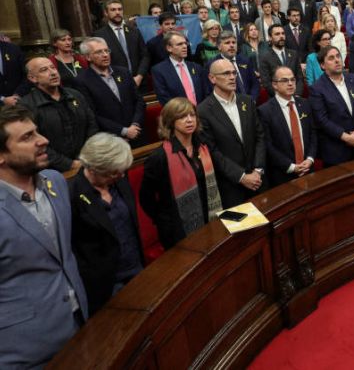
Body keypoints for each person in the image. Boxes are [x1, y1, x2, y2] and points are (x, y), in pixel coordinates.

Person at [0, 105, 88, 368]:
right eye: (27, 137)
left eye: (37, 131)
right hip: (23, 352)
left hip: (80, 328)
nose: (43, 140)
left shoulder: (55, 181)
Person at [69, 133, 143, 315]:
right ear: (93, 168)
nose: (121, 175)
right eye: (114, 172)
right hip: (105, 283)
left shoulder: (118, 180)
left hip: (136, 269)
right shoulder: (72, 194)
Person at [140, 98, 223, 249]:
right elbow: (146, 199)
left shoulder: (203, 148)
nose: (189, 120)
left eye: (192, 115)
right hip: (176, 230)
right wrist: (164, 219)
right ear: (171, 121)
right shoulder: (159, 157)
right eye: (182, 116)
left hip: (209, 220)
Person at [198, 59, 266, 207]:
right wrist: (241, 177)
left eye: (234, 73)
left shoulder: (247, 101)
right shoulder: (203, 110)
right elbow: (212, 151)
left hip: (258, 179)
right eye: (226, 73)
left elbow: (260, 136)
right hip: (231, 186)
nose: (232, 77)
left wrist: (258, 170)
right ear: (212, 78)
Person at [20, 57, 99, 172]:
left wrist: (85, 157)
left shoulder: (75, 95)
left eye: (53, 67)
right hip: (53, 171)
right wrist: (69, 164)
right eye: (44, 70)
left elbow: (92, 126)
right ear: (32, 78)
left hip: (87, 162)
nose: (52, 73)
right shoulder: (26, 105)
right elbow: (34, 142)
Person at [309, 45, 354, 166]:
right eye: (331, 58)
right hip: (337, 151)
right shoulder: (317, 89)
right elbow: (322, 120)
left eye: (338, 56)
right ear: (322, 65)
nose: (337, 60)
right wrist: (346, 137)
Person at [77, 37, 146, 147]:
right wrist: (123, 131)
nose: (105, 55)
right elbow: (92, 114)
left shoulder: (123, 72)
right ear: (88, 57)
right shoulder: (82, 81)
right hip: (111, 139)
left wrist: (135, 124)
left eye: (106, 50)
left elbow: (139, 101)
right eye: (99, 52)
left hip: (137, 133)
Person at [258, 66, 317, 187]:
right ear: (274, 85)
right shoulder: (265, 111)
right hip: (283, 175)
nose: (290, 84)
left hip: (308, 169)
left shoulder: (305, 104)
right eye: (284, 80)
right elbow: (268, 146)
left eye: (292, 80)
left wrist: (310, 159)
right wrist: (291, 167)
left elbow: (313, 134)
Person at [94, 0, 150, 87]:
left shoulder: (134, 31)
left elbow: (145, 56)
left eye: (120, 9)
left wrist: (139, 76)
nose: (117, 12)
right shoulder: (100, 35)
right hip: (116, 83)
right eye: (113, 10)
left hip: (140, 82)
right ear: (106, 13)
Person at [151, 31, 209, 106]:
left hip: (201, 113)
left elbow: (206, 91)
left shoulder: (196, 67)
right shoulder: (159, 71)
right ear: (169, 48)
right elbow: (164, 98)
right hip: (178, 114)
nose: (185, 46)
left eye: (185, 43)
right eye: (180, 44)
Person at [206, 31, 260, 102]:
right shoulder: (213, 64)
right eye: (227, 43)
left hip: (250, 103)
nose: (231, 45)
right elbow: (210, 89)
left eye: (234, 42)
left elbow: (255, 83)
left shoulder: (245, 60)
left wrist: (252, 100)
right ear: (219, 47)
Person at [259, 24, 304, 97]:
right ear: (270, 38)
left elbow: (299, 78)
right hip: (277, 99)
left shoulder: (293, 54)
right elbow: (266, 83)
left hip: (295, 96)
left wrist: (297, 94)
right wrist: (281, 97)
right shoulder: (265, 57)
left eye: (283, 33)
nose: (281, 36)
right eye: (277, 34)